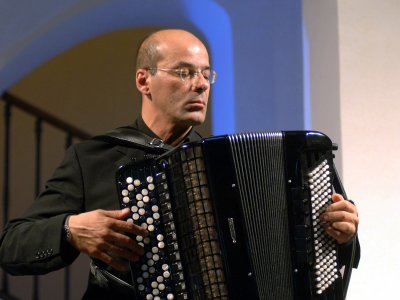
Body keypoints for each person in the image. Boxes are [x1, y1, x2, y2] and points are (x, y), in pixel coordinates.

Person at [0, 29, 359, 298]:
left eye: (205, 74)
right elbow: (11, 245)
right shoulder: (92, 157)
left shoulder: (221, 164)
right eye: (184, 72)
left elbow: (302, 250)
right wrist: (70, 229)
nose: (200, 84)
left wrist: (342, 233)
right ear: (145, 80)